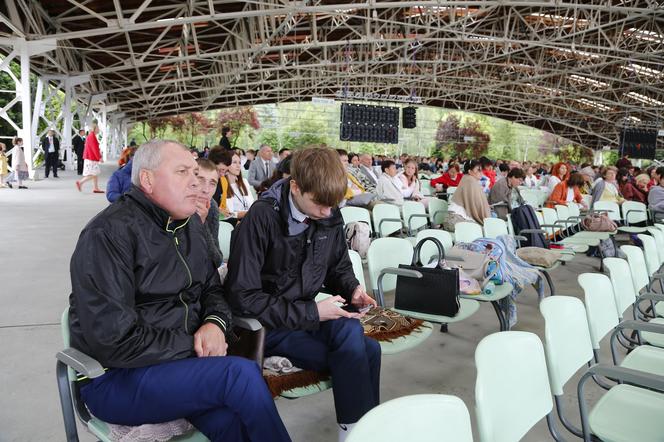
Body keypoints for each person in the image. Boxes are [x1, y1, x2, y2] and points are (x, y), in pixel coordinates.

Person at [68, 140, 290, 442]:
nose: (196, 182)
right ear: (147, 180)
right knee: (239, 375)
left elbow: (213, 290)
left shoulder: (189, 227)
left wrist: (214, 324)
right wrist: (196, 345)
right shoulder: (108, 234)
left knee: (231, 419)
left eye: (196, 173)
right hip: (113, 378)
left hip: (178, 366)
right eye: (183, 172)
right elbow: (113, 340)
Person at [225, 147, 380, 441]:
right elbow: (242, 297)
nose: (327, 212)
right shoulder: (262, 217)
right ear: (295, 187)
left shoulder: (329, 212)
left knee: (351, 330)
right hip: (264, 328)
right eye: (321, 204)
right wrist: (313, 312)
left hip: (301, 317)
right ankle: (358, 433)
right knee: (367, 351)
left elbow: (338, 267)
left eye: (333, 205)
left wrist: (353, 289)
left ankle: (360, 432)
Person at [442, 160, 490, 231]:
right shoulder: (470, 181)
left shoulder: (467, 179)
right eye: (478, 170)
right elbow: (476, 204)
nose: (481, 173)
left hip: (454, 219)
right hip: (455, 220)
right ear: (470, 171)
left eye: (481, 170)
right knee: (484, 229)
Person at [196, 158, 223, 268]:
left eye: (212, 183)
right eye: (200, 180)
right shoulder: (172, 206)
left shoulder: (212, 207)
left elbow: (216, 261)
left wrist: (201, 224)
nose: (206, 190)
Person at [225, 152, 255, 220]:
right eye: (234, 162)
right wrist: (247, 213)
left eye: (239, 163)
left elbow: (251, 205)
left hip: (250, 218)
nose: (238, 166)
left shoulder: (244, 182)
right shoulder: (222, 185)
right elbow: (229, 214)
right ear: (226, 165)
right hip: (235, 222)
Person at [76, 122, 104, 194]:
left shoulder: (91, 136)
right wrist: (99, 158)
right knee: (93, 173)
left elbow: (95, 148)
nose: (99, 129)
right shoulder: (92, 136)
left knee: (94, 173)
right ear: (94, 129)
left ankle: (96, 188)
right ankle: (80, 182)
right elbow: (94, 148)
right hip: (91, 158)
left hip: (90, 157)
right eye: (97, 128)